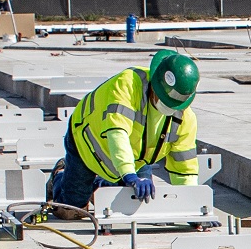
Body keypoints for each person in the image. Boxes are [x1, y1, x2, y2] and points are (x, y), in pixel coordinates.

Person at [50, 49, 202, 209]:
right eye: (164, 100)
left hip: (136, 157)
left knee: (135, 204)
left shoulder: (185, 118)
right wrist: (129, 175)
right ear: (155, 85)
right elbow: (117, 134)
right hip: (87, 144)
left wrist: (192, 207)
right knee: (71, 209)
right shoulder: (127, 85)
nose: (168, 107)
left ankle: (103, 183)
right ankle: (60, 174)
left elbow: (184, 167)